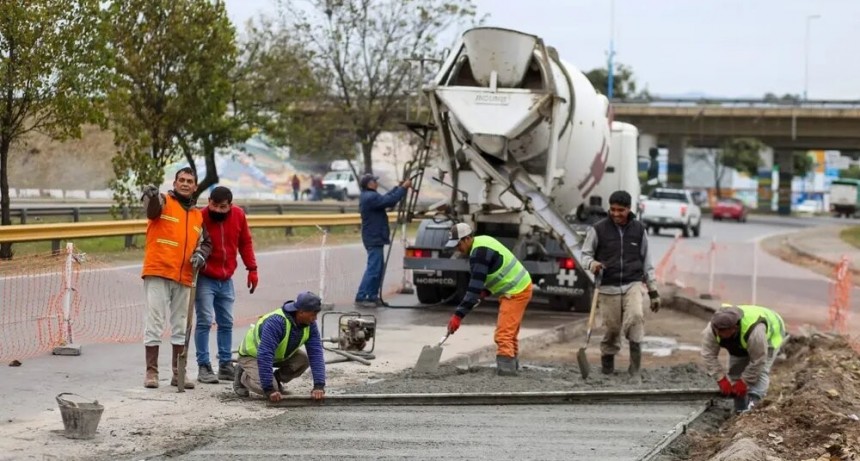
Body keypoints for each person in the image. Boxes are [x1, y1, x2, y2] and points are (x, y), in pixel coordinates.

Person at [140, 167, 212, 390]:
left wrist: (201, 254)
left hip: (184, 276)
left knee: (181, 324)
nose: (184, 183)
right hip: (159, 271)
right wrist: (150, 195)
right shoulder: (162, 201)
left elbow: (206, 243)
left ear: (195, 186)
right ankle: (151, 372)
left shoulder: (198, 215)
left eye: (189, 181)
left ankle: (177, 372)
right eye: (181, 180)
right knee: (155, 322)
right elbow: (151, 211)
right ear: (174, 182)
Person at [581, 190, 659, 377]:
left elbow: (647, 261)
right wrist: (593, 264)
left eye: (620, 210)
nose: (616, 214)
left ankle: (635, 370)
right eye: (613, 209)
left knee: (636, 317)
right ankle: (607, 367)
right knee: (612, 329)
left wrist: (653, 290)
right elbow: (585, 255)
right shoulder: (598, 229)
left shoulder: (639, 230)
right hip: (607, 286)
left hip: (633, 283)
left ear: (629, 209)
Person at [444, 222, 533, 376]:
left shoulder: (479, 253)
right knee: (510, 333)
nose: (457, 249)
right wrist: (484, 292)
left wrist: (458, 316)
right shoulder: (482, 242)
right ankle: (512, 366)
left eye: (458, 244)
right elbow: (496, 270)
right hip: (518, 286)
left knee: (503, 335)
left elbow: (473, 289)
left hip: (516, 291)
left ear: (467, 239)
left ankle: (506, 373)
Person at [195, 186, 258, 384]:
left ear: (230, 205)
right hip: (205, 276)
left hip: (226, 278)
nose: (218, 210)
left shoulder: (239, 215)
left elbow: (245, 242)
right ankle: (203, 365)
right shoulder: (200, 216)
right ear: (208, 201)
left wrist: (252, 268)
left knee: (226, 322)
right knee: (204, 320)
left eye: (223, 207)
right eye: (214, 205)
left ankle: (224, 365)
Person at [234, 291, 326, 403]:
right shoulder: (277, 322)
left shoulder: (310, 324)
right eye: (313, 314)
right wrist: (269, 389)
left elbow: (316, 353)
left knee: (303, 360)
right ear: (301, 312)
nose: (315, 318)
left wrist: (319, 385)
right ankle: (244, 376)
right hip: (252, 355)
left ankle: (275, 380)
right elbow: (265, 355)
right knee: (269, 388)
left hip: (276, 355)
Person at [701, 304, 786, 413]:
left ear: (735, 328)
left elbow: (758, 361)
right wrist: (721, 379)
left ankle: (754, 406)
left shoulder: (755, 332)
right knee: (736, 371)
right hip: (741, 341)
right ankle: (739, 408)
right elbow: (708, 355)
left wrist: (745, 382)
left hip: (772, 333)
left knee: (760, 372)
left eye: (724, 332)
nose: (720, 334)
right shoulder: (712, 329)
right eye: (718, 331)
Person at [354, 173, 411, 308]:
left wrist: (398, 187)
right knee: (374, 269)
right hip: (374, 237)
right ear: (369, 184)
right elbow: (389, 201)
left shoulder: (370, 196)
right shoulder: (370, 197)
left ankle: (372, 296)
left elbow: (386, 198)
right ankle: (363, 296)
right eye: (374, 181)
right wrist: (403, 189)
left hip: (375, 237)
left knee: (377, 268)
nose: (377, 183)